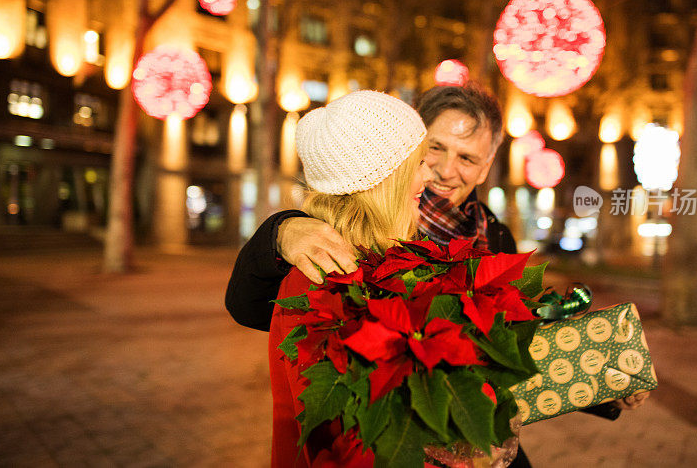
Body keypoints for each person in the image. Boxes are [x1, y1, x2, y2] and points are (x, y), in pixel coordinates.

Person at [228, 84, 648, 467]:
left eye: (466, 158)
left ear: (486, 167)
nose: (443, 171)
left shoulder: (490, 236)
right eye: (433, 150)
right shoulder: (333, 253)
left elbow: (511, 346)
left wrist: (605, 376)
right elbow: (341, 416)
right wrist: (281, 231)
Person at [269, 90, 431, 466]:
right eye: (417, 164)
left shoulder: (386, 256)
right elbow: (334, 431)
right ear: (382, 178)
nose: (427, 177)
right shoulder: (320, 275)